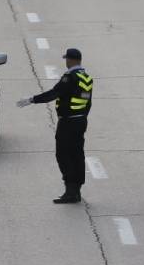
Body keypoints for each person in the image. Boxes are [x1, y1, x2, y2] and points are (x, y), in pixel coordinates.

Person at [17, 48, 92, 203]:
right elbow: (87, 102)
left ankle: (70, 191)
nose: (66, 62)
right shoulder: (86, 78)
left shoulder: (69, 77)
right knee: (77, 154)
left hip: (68, 122)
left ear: (71, 60)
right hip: (80, 121)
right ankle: (76, 190)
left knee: (63, 154)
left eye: (67, 59)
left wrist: (32, 100)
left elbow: (53, 94)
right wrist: (82, 117)